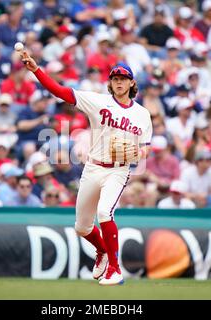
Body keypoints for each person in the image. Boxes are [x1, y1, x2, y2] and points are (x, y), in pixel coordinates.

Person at [19, 47, 152, 285]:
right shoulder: (98, 101)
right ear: (110, 83)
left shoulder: (142, 114)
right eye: (115, 78)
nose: (119, 82)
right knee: (82, 227)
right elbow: (60, 92)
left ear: (132, 83)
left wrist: (138, 152)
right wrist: (37, 70)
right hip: (93, 167)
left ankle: (115, 268)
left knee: (105, 212)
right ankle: (101, 251)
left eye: (123, 79)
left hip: (118, 170)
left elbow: (146, 147)